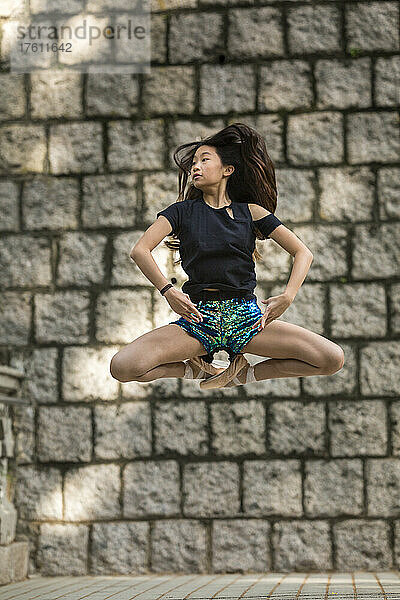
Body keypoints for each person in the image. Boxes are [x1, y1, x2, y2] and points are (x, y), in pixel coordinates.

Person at [110, 123, 344, 389]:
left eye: (204, 160)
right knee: (123, 366)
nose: (195, 167)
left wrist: (288, 296)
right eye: (194, 162)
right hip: (199, 319)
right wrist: (168, 291)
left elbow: (303, 252)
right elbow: (140, 250)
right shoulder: (180, 212)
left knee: (331, 358)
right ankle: (198, 370)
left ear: (227, 170)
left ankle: (243, 374)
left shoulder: (251, 212)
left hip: (246, 318)